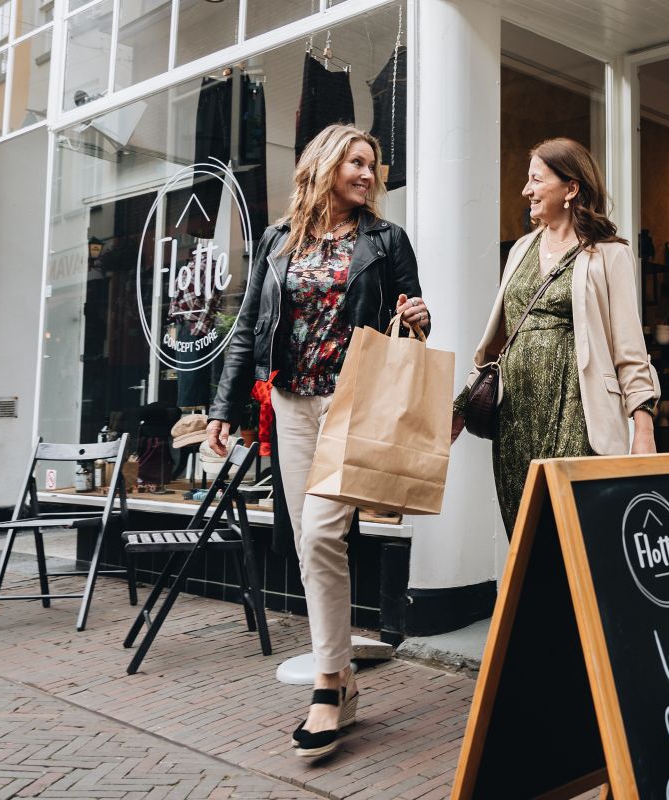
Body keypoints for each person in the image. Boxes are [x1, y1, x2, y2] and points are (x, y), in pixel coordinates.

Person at [207, 123, 429, 759]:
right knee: (312, 544)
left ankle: (329, 685)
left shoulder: (386, 241)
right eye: (356, 162)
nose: (367, 173)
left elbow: (416, 316)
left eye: (373, 165)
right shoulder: (280, 239)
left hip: (352, 402)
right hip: (290, 403)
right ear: (326, 163)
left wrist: (419, 313)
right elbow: (248, 326)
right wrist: (226, 407)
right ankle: (343, 676)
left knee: (324, 533)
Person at [453, 137, 659, 534]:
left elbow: (630, 350)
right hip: (516, 414)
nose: (525, 190)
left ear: (571, 188)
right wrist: (464, 402)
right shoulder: (521, 250)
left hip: (577, 410)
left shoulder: (608, 254)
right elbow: (501, 339)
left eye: (535, 179)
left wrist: (643, 430)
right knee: (525, 533)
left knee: (573, 530)